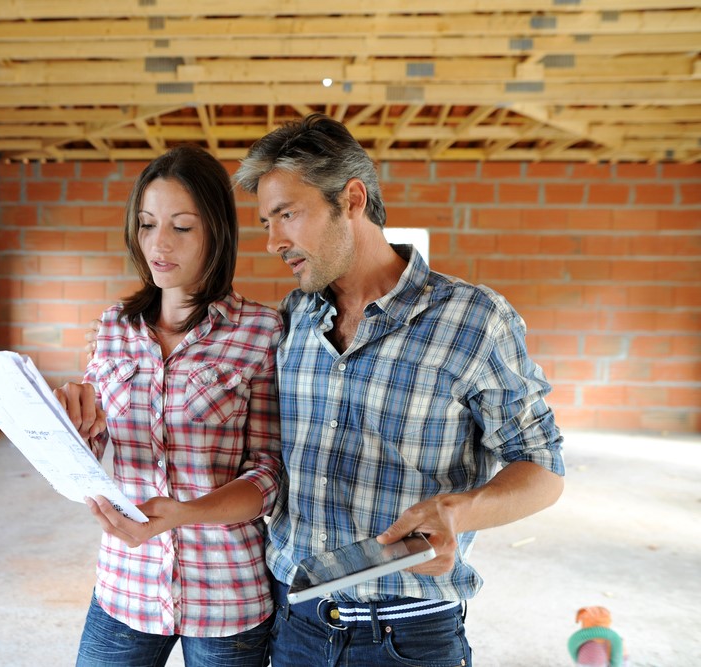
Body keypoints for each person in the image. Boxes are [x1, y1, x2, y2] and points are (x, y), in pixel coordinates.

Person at [232, 114, 566, 666]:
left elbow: (543, 470)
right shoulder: (291, 320)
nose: (272, 242)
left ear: (353, 199)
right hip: (294, 627)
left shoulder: (474, 320)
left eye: (287, 215)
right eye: (267, 222)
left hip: (408, 638)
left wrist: (460, 512)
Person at [54, 144, 283, 667]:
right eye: (146, 224)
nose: (159, 244)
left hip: (227, 594)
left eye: (181, 227)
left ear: (216, 233)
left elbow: (270, 475)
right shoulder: (113, 327)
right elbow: (96, 444)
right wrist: (74, 428)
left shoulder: (261, 332)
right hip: (126, 582)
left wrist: (185, 514)